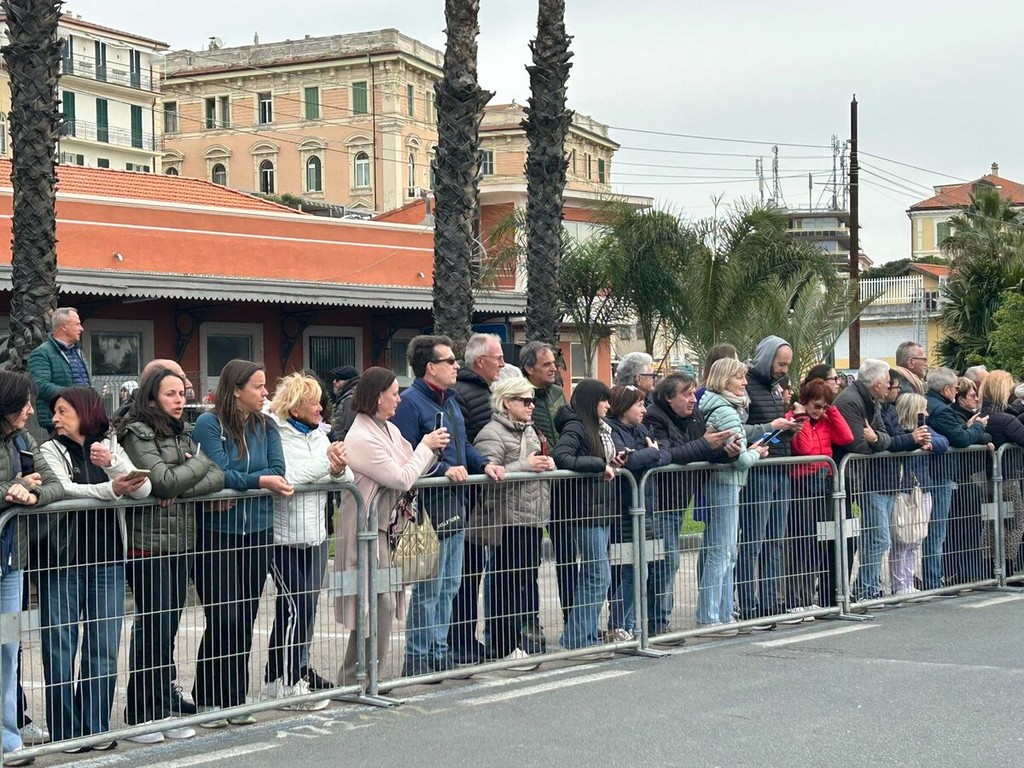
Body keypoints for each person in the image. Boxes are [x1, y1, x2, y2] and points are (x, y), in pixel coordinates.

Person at [38, 386, 151, 749]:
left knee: (103, 647)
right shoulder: (48, 450)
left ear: (85, 412)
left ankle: (96, 726)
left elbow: (142, 488)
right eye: (55, 412)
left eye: (63, 411)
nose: (55, 419)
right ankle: (65, 732)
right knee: (60, 647)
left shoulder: (110, 444)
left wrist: (113, 464)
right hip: (62, 561)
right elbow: (63, 490)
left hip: (108, 559)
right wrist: (111, 490)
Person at [116, 366, 224, 743]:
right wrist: (195, 465)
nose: (180, 401)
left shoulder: (184, 433)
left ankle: (162, 705)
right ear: (151, 398)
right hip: (148, 544)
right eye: (171, 394)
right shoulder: (137, 432)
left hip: (181, 541)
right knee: (154, 627)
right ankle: (140, 713)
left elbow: (217, 476)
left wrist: (179, 485)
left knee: (169, 627)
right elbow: (160, 480)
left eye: (182, 394)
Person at [391, 336, 504, 676]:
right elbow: (406, 454)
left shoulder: (451, 400)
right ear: (430, 367)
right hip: (426, 509)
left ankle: (439, 651)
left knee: (450, 584)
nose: (456, 366)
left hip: (455, 505)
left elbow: (462, 444)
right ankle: (417, 656)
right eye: (449, 361)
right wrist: (443, 470)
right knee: (429, 587)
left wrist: (483, 463)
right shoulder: (410, 404)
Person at [191, 360, 294, 727]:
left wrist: (247, 481)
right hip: (216, 534)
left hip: (258, 532)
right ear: (236, 390)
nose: (265, 393)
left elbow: (278, 470)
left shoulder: (267, 426)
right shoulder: (209, 424)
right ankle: (207, 698)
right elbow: (218, 473)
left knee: (245, 617)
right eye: (258, 386)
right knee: (224, 616)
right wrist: (259, 482)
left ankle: (235, 698)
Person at [334, 367, 448, 683]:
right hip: (363, 531)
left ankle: (366, 675)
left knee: (381, 603)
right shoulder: (362, 436)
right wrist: (425, 447)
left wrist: (430, 453)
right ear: (377, 396)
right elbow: (401, 476)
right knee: (373, 603)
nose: (399, 399)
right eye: (394, 393)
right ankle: (358, 677)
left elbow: (412, 466)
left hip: (385, 529)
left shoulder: (388, 429)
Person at [262, 373, 351, 709]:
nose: (320, 408)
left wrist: (337, 469)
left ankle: (276, 678)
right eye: (313, 402)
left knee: (300, 609)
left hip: (314, 535)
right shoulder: (275, 433)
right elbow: (288, 477)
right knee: (295, 607)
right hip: (281, 536)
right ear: (295, 405)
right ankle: (289, 684)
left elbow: (346, 476)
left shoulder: (318, 434)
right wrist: (326, 464)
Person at [642, 372, 737, 635]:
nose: (693, 399)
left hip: (679, 500)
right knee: (666, 562)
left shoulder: (694, 416)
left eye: (694, 393)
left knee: (668, 562)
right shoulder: (654, 417)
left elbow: (704, 452)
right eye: (686, 394)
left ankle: (659, 622)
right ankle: (656, 623)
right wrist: (705, 443)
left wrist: (728, 453)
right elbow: (667, 455)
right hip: (659, 501)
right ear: (669, 397)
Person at [0, 372, 63, 766]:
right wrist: (11, 487)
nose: (29, 410)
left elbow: (56, 484)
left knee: (7, 650)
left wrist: (31, 491)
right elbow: (12, 487)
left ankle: (8, 739)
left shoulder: (23, 439)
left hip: (10, 567)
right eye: (23, 403)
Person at [473, 376, 555, 665]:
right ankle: (503, 645)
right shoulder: (492, 433)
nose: (531, 406)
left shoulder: (531, 431)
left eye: (533, 400)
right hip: (506, 520)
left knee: (524, 581)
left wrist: (548, 463)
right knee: (505, 582)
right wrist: (526, 465)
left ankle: (519, 641)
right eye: (525, 400)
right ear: (507, 402)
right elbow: (488, 474)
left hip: (532, 518)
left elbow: (539, 461)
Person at [698, 359, 768, 635]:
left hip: (724, 483)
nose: (745, 383)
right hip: (726, 483)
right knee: (722, 551)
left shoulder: (720, 406)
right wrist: (757, 453)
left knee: (725, 551)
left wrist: (748, 450)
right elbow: (740, 459)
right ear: (725, 379)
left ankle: (724, 613)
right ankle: (711, 615)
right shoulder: (725, 410)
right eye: (739, 377)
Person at [553, 379, 622, 650]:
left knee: (596, 575)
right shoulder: (577, 426)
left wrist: (612, 462)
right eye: (603, 400)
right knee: (597, 576)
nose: (607, 406)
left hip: (600, 508)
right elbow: (562, 456)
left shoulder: (600, 428)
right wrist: (599, 465)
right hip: (585, 511)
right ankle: (577, 638)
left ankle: (584, 634)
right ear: (591, 402)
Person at [737, 335, 801, 621]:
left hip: (780, 470)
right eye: (780, 364)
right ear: (767, 359)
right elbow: (741, 428)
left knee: (775, 539)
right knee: (753, 540)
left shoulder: (775, 389)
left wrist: (787, 429)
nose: (783, 370)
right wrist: (771, 426)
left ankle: (769, 599)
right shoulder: (747, 386)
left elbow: (771, 429)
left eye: (787, 365)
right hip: (759, 472)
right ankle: (747, 601)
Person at [450, 333, 505, 664]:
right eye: (497, 358)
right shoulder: (464, 394)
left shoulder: (483, 391)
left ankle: (467, 639)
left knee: (472, 574)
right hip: (467, 497)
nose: (502, 363)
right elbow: (463, 442)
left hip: (478, 496)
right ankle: (459, 640)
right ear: (480, 361)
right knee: (464, 575)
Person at [604, 385, 669, 638]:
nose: (644, 410)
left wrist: (651, 454)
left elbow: (663, 454)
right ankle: (618, 624)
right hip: (624, 509)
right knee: (632, 570)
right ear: (624, 408)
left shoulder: (641, 429)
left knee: (642, 568)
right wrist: (650, 453)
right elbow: (628, 461)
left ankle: (628, 625)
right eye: (639, 405)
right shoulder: (613, 430)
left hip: (645, 507)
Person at [833, 359, 900, 602]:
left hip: (856, 477)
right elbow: (858, 445)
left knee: (872, 538)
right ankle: (861, 589)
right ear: (877, 383)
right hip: (845, 476)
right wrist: (876, 441)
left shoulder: (872, 401)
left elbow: (886, 436)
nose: (890, 386)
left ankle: (864, 588)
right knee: (875, 538)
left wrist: (876, 439)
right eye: (888, 382)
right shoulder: (850, 401)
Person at [785, 378, 853, 612]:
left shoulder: (824, 420)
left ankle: (807, 596)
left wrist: (831, 411)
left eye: (824, 406)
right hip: (802, 483)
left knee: (818, 542)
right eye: (816, 405)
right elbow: (803, 448)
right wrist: (802, 417)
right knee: (801, 542)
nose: (819, 411)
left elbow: (846, 437)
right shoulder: (794, 419)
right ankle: (796, 599)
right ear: (805, 401)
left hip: (823, 482)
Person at [922, 368, 991, 590]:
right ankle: (934, 580)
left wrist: (969, 429)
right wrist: (978, 427)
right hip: (940, 474)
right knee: (937, 532)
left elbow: (959, 434)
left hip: (938, 474)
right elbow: (960, 439)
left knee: (937, 531)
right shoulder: (942, 410)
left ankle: (938, 578)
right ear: (946, 389)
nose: (956, 390)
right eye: (955, 388)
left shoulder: (936, 405)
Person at [520, 341, 569, 633]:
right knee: (529, 560)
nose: (554, 368)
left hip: (560, 483)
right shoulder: (520, 393)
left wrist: (563, 457)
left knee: (567, 555)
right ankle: (530, 622)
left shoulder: (558, 394)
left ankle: (574, 622)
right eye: (547, 364)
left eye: (554, 363)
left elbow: (567, 430)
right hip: (532, 488)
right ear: (529, 368)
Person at [889, 393, 947, 595]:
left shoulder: (925, 429)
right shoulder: (898, 430)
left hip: (923, 488)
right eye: (923, 410)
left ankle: (909, 581)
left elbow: (943, 441)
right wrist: (913, 441)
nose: (927, 414)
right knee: (902, 540)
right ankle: (898, 584)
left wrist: (930, 444)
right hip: (904, 489)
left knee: (916, 539)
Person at [979, 371, 1024, 575]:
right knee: (1016, 523)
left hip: (983, 478)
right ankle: (1007, 565)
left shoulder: (980, 416)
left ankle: (990, 566)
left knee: (991, 523)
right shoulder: (1004, 419)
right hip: (1006, 478)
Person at [27, 308, 90, 431]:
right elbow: (40, 386)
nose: (81, 328)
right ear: (64, 327)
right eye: (77, 324)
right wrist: (75, 395)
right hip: (59, 422)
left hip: (84, 418)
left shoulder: (78, 353)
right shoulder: (42, 353)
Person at [329, 366, 360, 441]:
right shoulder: (349, 397)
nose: (334, 382)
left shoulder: (349, 400)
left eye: (338, 379)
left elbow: (349, 429)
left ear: (347, 381)